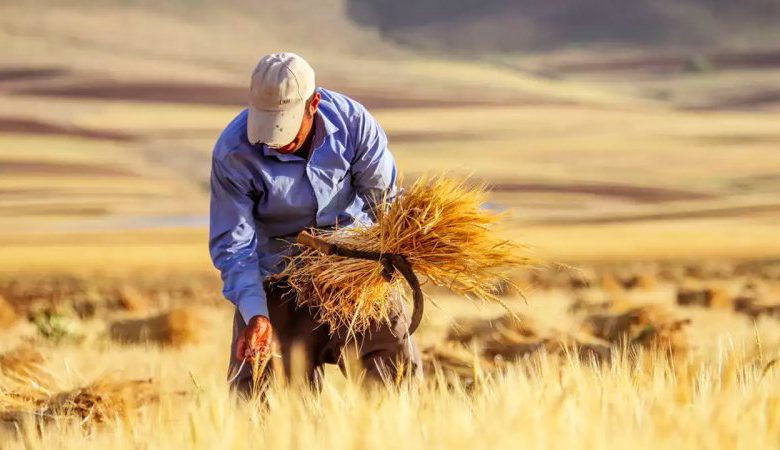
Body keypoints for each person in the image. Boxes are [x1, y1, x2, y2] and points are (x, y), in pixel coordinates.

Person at [209, 52, 421, 395]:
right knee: (260, 394)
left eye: (285, 125)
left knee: (394, 375)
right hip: (278, 274)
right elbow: (234, 246)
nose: (275, 139)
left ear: (314, 104)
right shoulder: (233, 152)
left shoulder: (354, 124)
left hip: (356, 268)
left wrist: (393, 257)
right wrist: (255, 315)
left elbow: (384, 205)